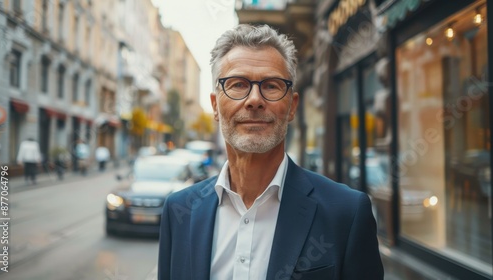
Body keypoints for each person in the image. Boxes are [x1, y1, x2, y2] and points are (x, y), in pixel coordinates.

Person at [158, 24, 384, 280]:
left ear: (292, 107)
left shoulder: (347, 213)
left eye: (272, 86)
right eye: (238, 84)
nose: (255, 99)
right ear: (215, 106)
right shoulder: (179, 212)